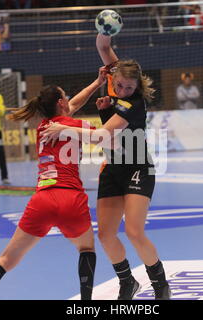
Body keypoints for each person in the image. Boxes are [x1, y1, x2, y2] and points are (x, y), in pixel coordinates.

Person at [41, 33, 171, 300]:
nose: (122, 91)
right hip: (113, 168)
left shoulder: (133, 103)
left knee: (134, 232)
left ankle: (160, 286)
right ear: (114, 79)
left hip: (137, 167)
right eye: (119, 85)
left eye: (128, 87)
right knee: (106, 235)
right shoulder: (117, 79)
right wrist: (105, 30)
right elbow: (102, 46)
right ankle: (127, 282)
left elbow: (102, 136)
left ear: (137, 86)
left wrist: (64, 127)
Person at [0, 71, 107, 300]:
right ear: (61, 103)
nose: (69, 99)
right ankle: (86, 305)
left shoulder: (43, 128)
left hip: (42, 200)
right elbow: (104, 137)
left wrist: (96, 83)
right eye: (65, 97)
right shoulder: (76, 125)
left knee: (6, 260)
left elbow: (70, 106)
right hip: (71, 198)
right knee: (87, 249)